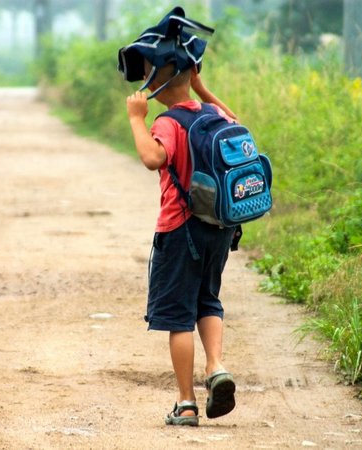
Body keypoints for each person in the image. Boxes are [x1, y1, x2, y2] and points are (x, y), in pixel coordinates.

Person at [120, 7, 239, 427]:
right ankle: (217, 367)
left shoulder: (169, 122)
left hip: (178, 232)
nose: (144, 78)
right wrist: (203, 90)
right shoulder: (211, 115)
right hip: (217, 230)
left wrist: (137, 119)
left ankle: (186, 402)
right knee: (209, 301)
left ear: (162, 77)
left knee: (176, 317)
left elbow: (153, 158)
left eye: (149, 70)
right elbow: (234, 119)